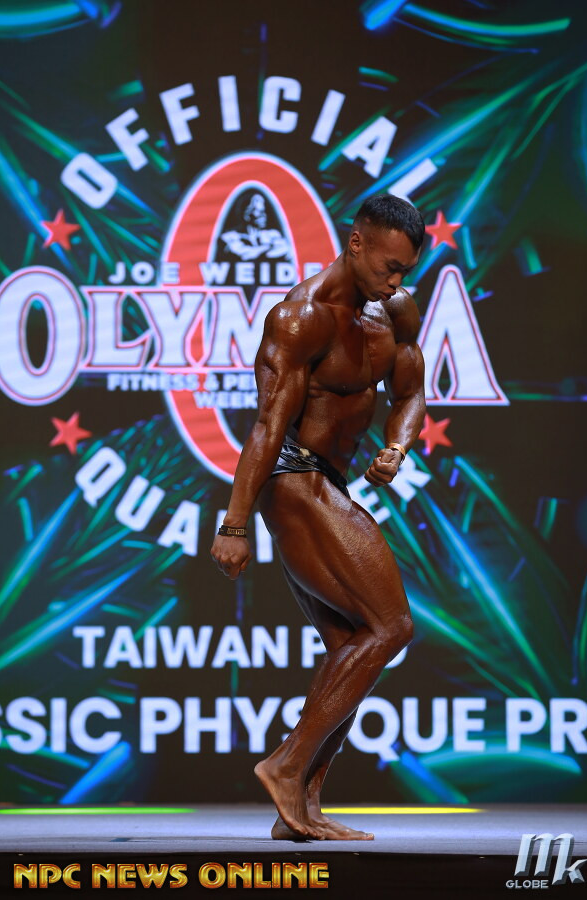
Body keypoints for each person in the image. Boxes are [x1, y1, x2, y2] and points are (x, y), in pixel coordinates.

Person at [211, 195, 426, 841]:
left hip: (326, 479)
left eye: (405, 270)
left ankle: (300, 806)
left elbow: (411, 390)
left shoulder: (395, 310)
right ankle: (285, 765)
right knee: (391, 626)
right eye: (388, 267)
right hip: (291, 478)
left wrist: (397, 447)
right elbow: (266, 425)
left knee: (352, 647)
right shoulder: (300, 318)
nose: (395, 281)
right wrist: (235, 524)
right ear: (356, 243)